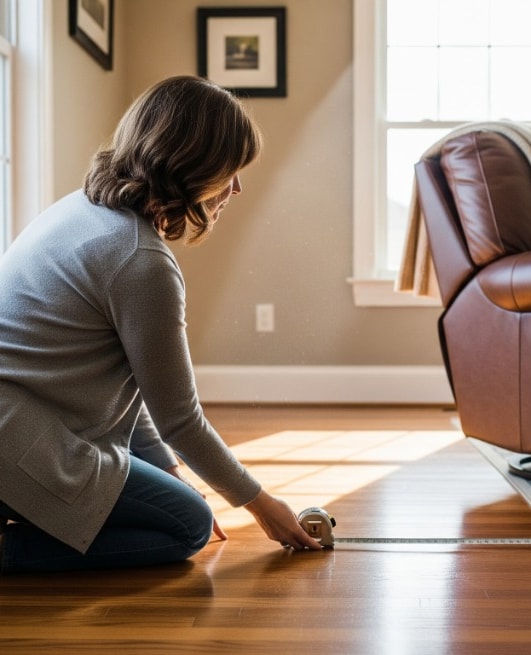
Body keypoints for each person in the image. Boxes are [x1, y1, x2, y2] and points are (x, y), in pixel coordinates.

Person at [0, 75, 322, 574]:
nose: (236, 188)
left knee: (174, 498)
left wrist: (170, 469)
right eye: (231, 171)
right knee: (187, 524)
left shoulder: (80, 207)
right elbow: (180, 418)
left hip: (21, 423)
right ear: (194, 165)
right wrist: (261, 504)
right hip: (17, 443)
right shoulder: (139, 260)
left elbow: (142, 385)